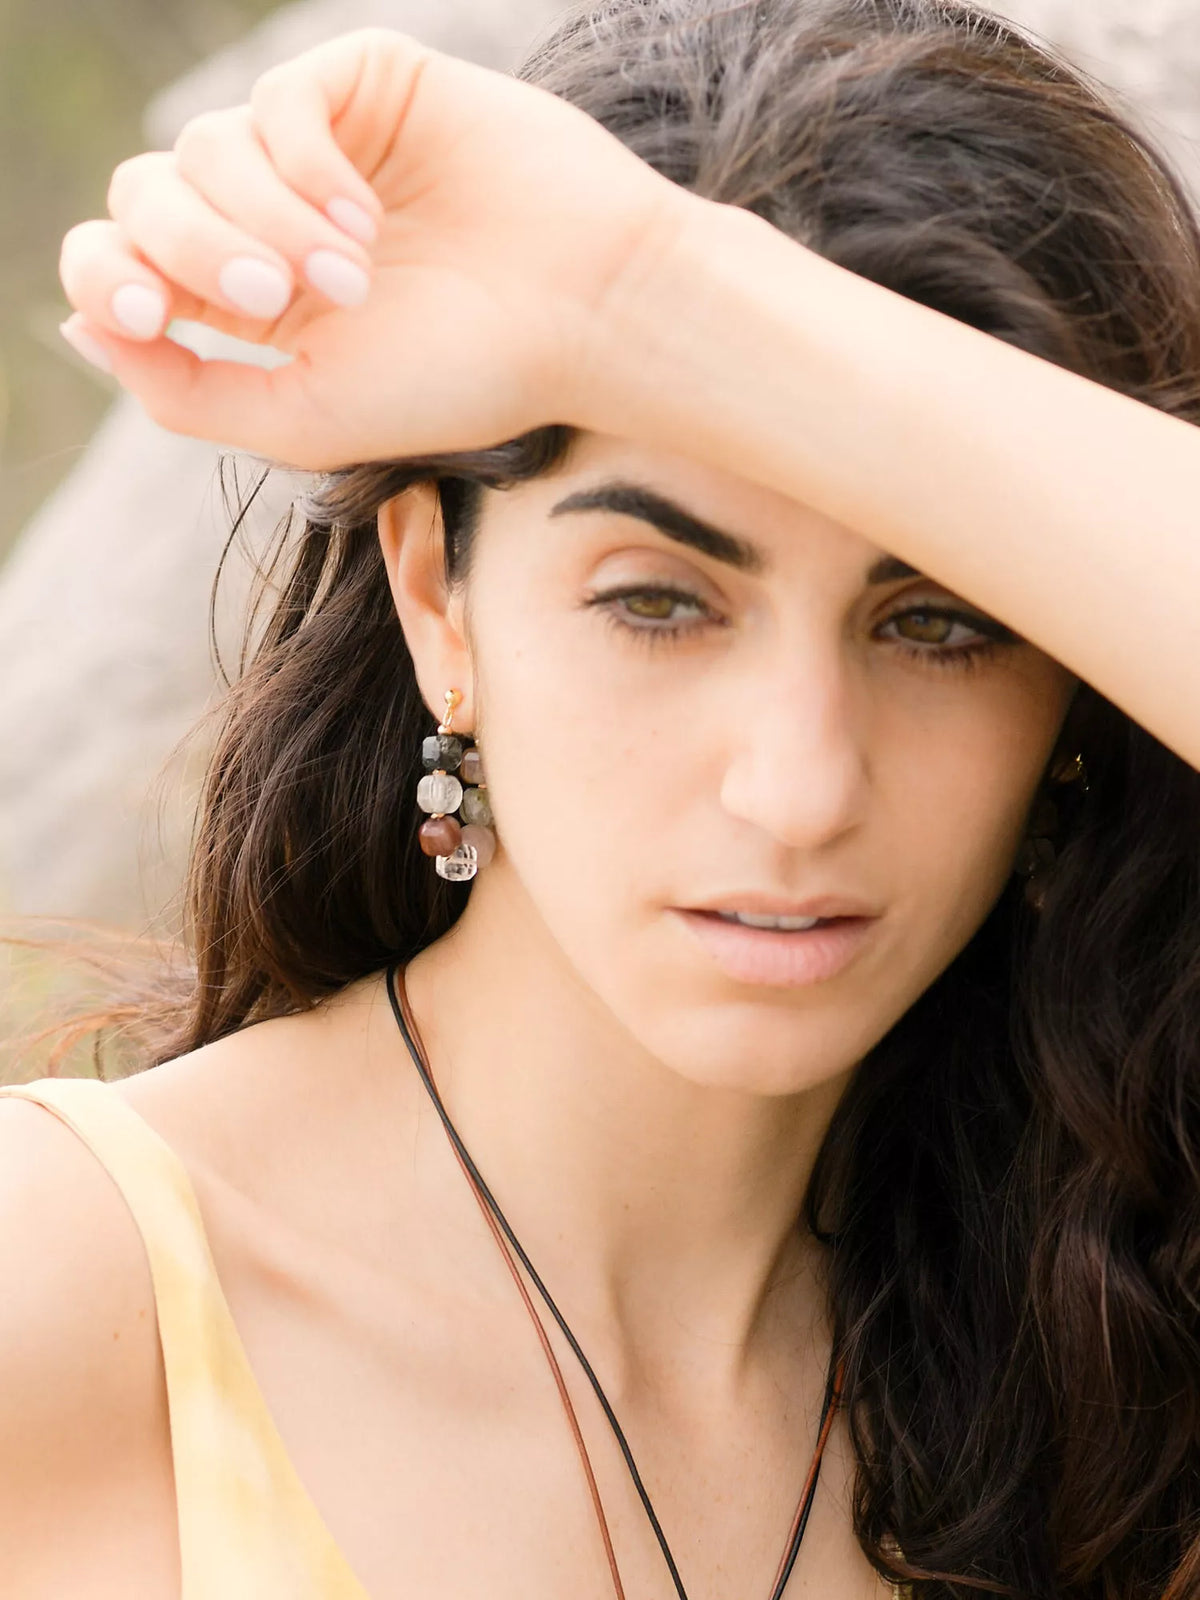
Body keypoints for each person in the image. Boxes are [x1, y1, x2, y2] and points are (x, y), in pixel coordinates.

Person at [4, 1, 1199, 1595]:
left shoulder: (1113, 1390)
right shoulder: (68, 1297)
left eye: (943, 620)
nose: (798, 787)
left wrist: (643, 290)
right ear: (441, 606)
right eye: (657, 599)